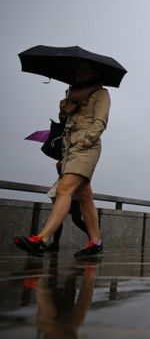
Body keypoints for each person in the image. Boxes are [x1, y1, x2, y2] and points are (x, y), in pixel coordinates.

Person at [15, 62, 110, 257]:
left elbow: (100, 122)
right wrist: (65, 107)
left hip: (86, 148)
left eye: (83, 69)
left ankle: (42, 239)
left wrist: (84, 141)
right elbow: (65, 123)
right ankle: (95, 241)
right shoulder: (72, 94)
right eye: (77, 70)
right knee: (84, 197)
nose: (78, 73)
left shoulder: (101, 94)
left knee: (64, 189)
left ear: (93, 73)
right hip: (69, 149)